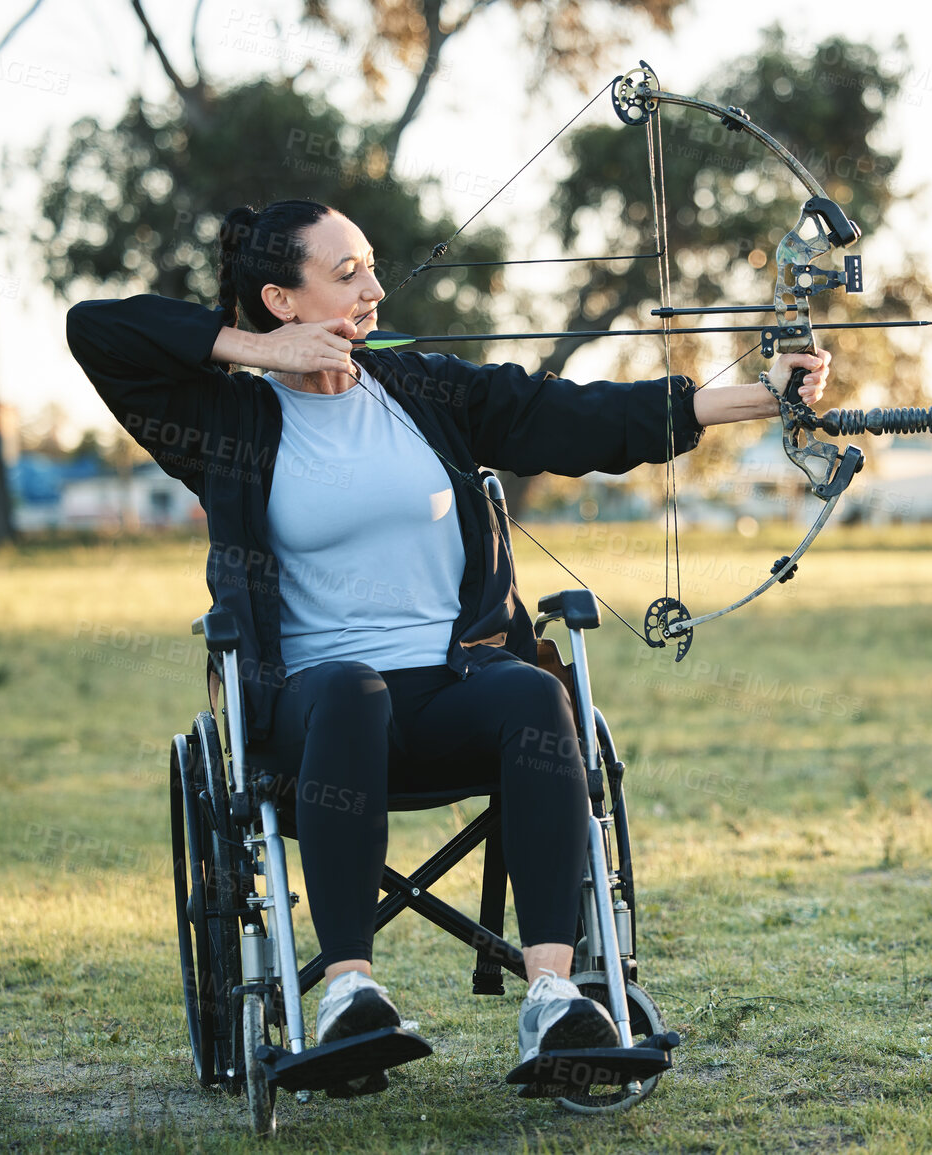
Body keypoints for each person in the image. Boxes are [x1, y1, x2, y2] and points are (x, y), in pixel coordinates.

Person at [66, 198, 830, 1095]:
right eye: (346, 273)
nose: (374, 288)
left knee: (534, 695)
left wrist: (764, 393)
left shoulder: (425, 390)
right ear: (280, 298)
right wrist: (260, 353)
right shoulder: (223, 422)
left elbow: (579, 416)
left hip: (450, 686)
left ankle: (554, 995)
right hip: (319, 707)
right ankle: (349, 992)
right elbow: (96, 329)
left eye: (372, 266)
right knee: (352, 690)